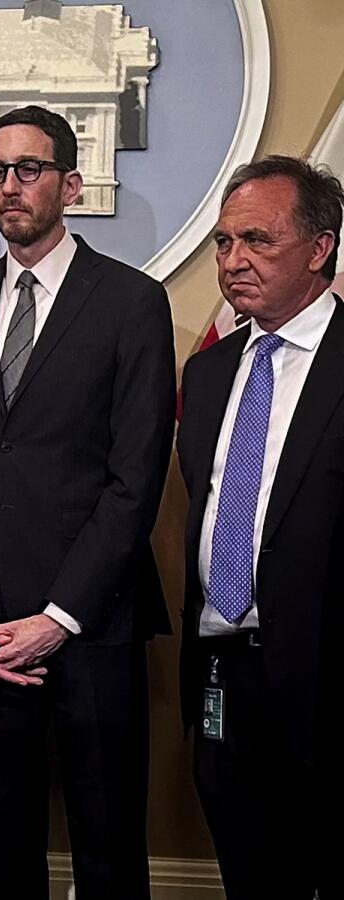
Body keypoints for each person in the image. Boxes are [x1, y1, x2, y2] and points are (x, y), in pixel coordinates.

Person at [0, 105, 175, 899]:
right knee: (5, 849)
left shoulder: (131, 301)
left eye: (28, 169)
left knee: (107, 849)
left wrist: (57, 619)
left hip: (91, 626)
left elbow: (136, 480)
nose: (9, 187)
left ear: (71, 182)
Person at [177, 156, 343, 899]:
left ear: (320, 249)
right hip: (223, 679)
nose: (233, 260)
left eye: (257, 240)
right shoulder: (209, 375)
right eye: (222, 242)